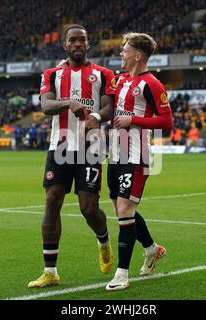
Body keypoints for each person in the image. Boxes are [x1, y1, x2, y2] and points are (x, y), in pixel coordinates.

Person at [27, 25, 116, 289]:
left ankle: (103, 240)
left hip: (90, 147)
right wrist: (68, 103)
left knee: (88, 208)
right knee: (52, 201)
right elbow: (45, 106)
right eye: (72, 40)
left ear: (88, 44)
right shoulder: (51, 74)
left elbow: (109, 107)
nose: (77, 43)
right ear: (65, 45)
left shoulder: (104, 74)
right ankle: (50, 271)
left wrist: (95, 117)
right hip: (59, 146)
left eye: (82, 40)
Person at [105, 32, 173, 291]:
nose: (121, 54)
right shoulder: (120, 79)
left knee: (124, 209)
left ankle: (122, 274)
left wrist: (134, 119)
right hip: (116, 153)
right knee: (123, 210)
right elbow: (98, 76)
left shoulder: (152, 84)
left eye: (124, 50)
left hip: (137, 154)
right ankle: (152, 249)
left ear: (137, 55)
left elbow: (166, 121)